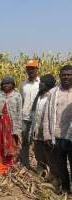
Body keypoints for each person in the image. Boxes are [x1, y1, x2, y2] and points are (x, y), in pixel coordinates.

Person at [43, 65, 72, 193]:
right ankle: (65, 188)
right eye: (63, 75)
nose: (66, 77)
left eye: (69, 74)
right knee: (61, 166)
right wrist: (47, 135)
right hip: (57, 136)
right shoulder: (53, 92)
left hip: (70, 137)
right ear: (59, 76)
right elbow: (46, 115)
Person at [29, 74, 56, 177]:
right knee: (39, 156)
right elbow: (33, 114)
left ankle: (52, 177)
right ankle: (40, 175)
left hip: (48, 133)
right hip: (37, 131)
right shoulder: (39, 97)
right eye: (40, 82)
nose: (40, 84)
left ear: (49, 84)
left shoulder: (52, 96)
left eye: (42, 83)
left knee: (50, 157)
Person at [0, 76, 22, 167]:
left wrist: (19, 126)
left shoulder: (17, 95)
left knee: (12, 142)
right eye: (4, 84)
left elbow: (19, 111)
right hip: (0, 122)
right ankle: (0, 161)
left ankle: (10, 163)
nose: (6, 85)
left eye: (8, 83)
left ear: (13, 85)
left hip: (11, 123)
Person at [20, 59, 40, 167]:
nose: (30, 70)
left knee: (37, 141)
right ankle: (25, 162)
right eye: (28, 68)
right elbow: (21, 100)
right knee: (24, 141)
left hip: (37, 118)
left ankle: (39, 165)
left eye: (32, 68)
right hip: (25, 116)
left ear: (37, 69)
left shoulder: (41, 83)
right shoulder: (23, 85)